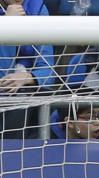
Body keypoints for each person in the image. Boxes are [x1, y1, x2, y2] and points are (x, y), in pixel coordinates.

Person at [1, 0, 56, 139]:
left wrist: (25, 77)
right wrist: (7, 26)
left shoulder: (38, 9)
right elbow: (3, 73)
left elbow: (48, 71)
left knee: (21, 103)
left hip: (26, 88)